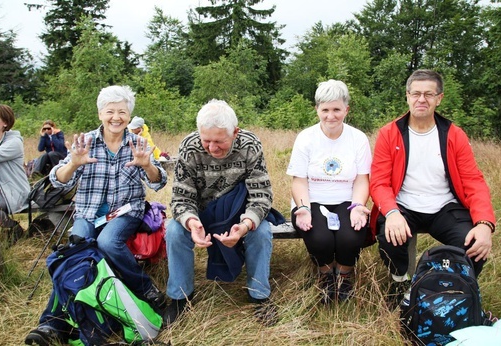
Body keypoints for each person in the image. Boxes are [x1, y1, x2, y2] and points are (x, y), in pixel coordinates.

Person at [25, 85, 169, 346]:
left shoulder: (138, 143)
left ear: (129, 115)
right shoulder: (86, 142)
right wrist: (73, 163)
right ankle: (53, 324)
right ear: (100, 113)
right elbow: (58, 181)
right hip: (89, 213)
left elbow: (159, 182)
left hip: (126, 212)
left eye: (122, 112)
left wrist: (147, 165)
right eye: (110, 111)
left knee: (107, 242)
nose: (116, 117)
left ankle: (145, 288)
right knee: (73, 251)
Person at [369, 69, 495, 306]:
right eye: (415, 93)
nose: (421, 99)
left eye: (429, 94)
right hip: (404, 204)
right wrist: (392, 212)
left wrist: (485, 223)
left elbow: (474, 181)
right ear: (407, 96)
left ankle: (450, 293)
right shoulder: (390, 133)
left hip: (444, 206)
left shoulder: (454, 135)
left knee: (472, 244)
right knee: (389, 234)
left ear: (439, 98)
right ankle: (400, 283)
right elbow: (379, 182)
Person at [165, 99, 277, 326]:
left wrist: (245, 225)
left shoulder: (249, 144)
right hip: (202, 214)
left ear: (235, 132)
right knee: (174, 232)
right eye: (206, 140)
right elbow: (181, 198)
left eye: (219, 141)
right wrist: (191, 222)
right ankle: (180, 297)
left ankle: (259, 295)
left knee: (261, 231)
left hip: (238, 213)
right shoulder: (189, 146)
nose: (212, 148)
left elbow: (261, 195)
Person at [286, 80, 372, 304]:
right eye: (325, 110)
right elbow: (299, 180)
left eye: (336, 109)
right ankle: (325, 276)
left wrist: (357, 206)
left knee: (351, 236)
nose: (330, 116)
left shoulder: (358, 138)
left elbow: (362, 180)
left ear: (346, 110)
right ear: (317, 110)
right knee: (321, 239)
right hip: (312, 199)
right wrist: (303, 208)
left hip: (346, 199)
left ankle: (344, 275)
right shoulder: (306, 138)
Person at [0, 103, 30, 243]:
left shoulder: (14, 142)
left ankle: (13, 228)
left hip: (13, 192)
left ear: (5, 123)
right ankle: (10, 230)